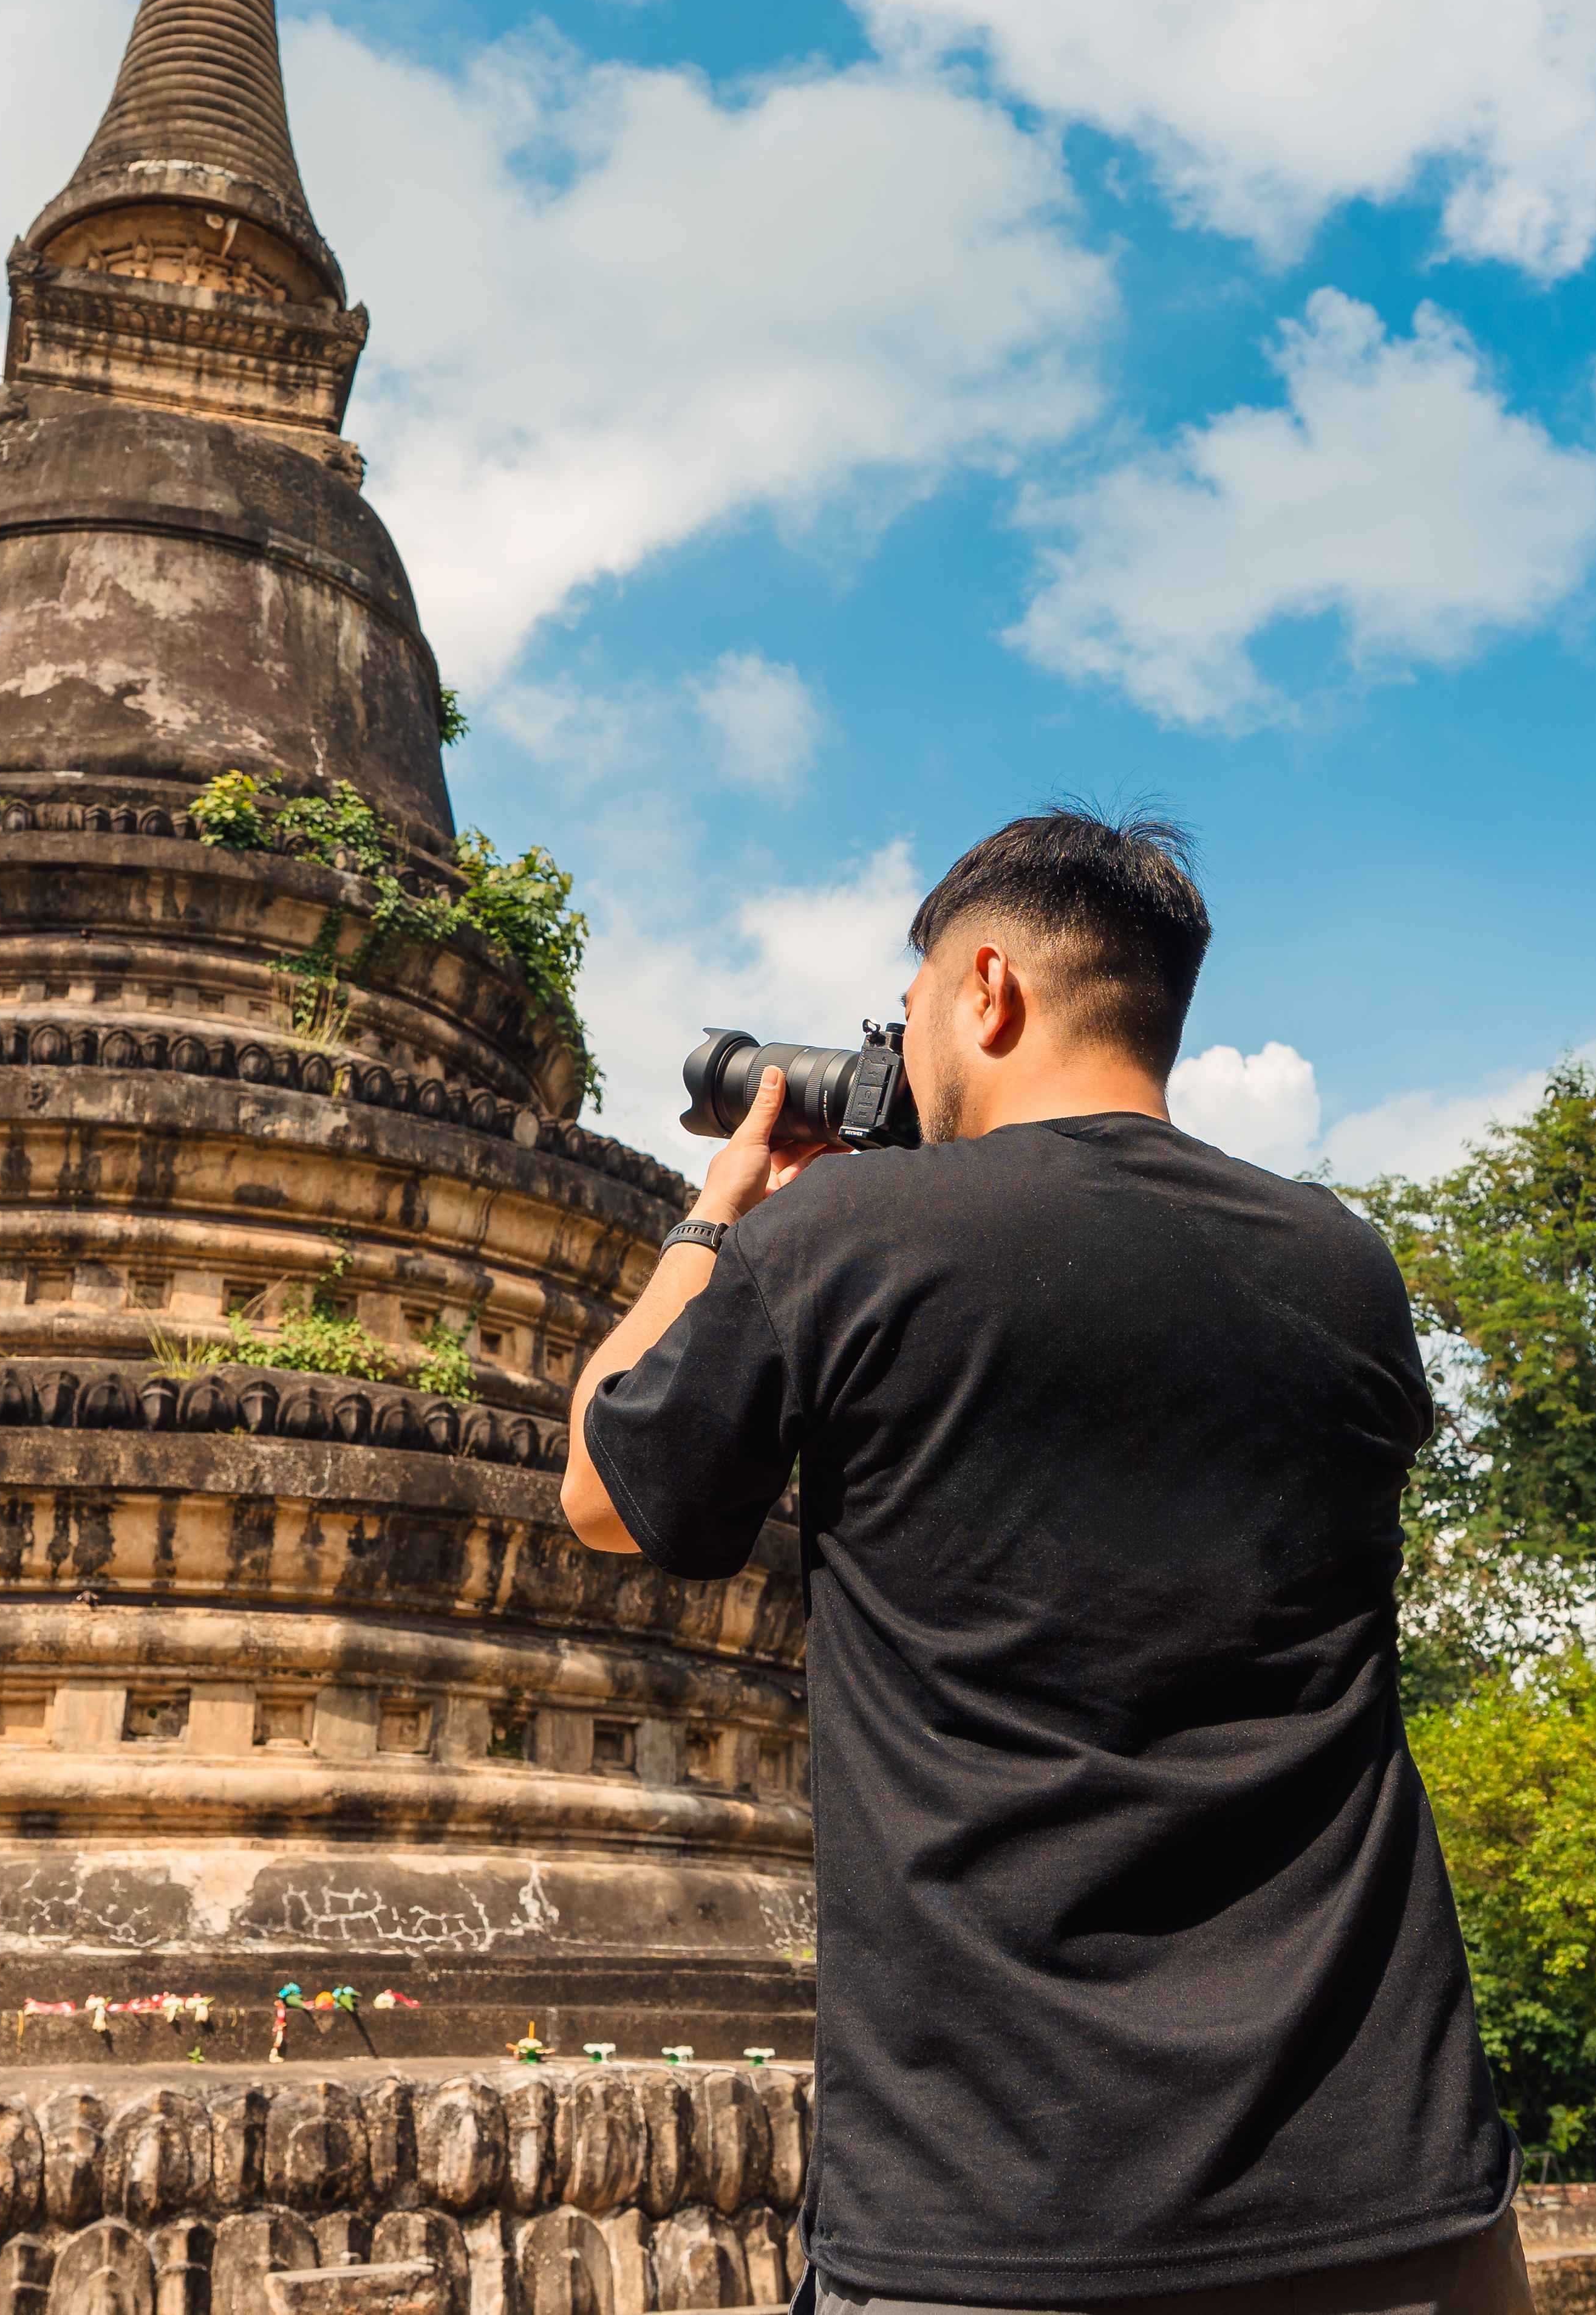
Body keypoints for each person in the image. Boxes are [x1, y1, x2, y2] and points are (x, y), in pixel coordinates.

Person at [562, 809, 1520, 2315]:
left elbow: (604, 1490)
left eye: (916, 1005)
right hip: (1393, 2203)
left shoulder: (848, 1241)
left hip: (1001, 2216)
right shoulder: (1346, 1264)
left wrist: (723, 1216)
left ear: (987, 987)